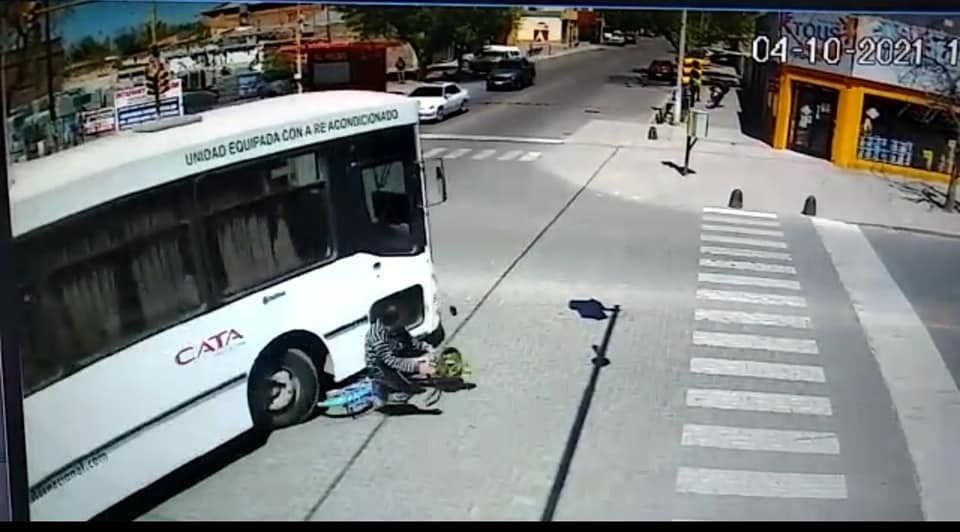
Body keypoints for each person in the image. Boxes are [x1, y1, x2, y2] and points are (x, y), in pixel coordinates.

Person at [364, 304, 435, 406]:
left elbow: (410, 342)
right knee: (404, 391)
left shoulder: (396, 326)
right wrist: (417, 367)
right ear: (389, 325)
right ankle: (384, 390)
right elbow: (390, 361)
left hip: (395, 354)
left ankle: (401, 382)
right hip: (380, 366)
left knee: (417, 361)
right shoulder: (377, 337)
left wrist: (426, 347)